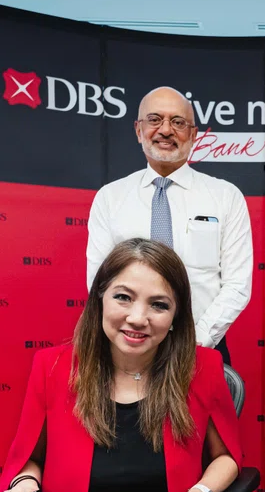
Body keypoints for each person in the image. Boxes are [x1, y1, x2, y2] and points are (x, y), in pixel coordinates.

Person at [0, 238, 242, 492]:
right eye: (123, 297)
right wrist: (25, 485)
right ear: (100, 298)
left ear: (175, 317)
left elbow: (226, 457)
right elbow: (31, 458)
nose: (137, 318)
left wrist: (202, 491)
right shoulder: (52, 367)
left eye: (159, 305)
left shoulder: (202, 367)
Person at [86, 86, 253, 366]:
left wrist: (195, 340)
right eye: (154, 120)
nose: (166, 130)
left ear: (193, 135)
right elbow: (99, 282)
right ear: (138, 130)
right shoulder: (110, 198)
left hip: (203, 347)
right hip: (127, 348)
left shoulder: (226, 196)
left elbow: (237, 284)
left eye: (178, 122)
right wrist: (130, 335)